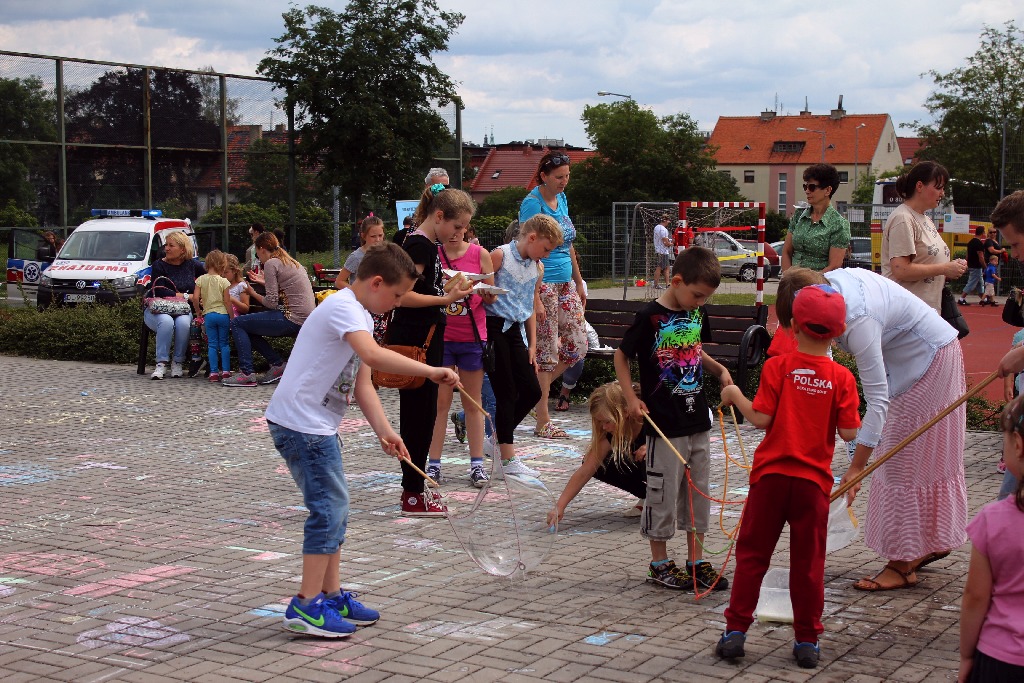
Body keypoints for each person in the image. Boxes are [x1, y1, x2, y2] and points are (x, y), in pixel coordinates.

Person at [266, 242, 459, 638]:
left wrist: (387, 431)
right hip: (302, 426)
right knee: (329, 510)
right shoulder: (344, 308)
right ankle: (305, 605)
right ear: (375, 283)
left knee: (333, 508)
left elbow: (362, 382)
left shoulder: (360, 315)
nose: (398, 302)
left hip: (316, 426)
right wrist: (430, 370)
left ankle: (331, 595)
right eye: (398, 294)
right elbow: (373, 357)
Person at [783, 266, 967, 591]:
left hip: (928, 361)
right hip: (916, 359)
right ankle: (928, 543)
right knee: (913, 460)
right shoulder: (828, 292)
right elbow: (822, 373)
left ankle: (903, 563)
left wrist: (856, 468)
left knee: (901, 461)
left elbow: (877, 398)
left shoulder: (859, 319)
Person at [716, 284, 861, 669]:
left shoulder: (777, 367)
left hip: (771, 479)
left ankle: (735, 632)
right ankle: (807, 640)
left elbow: (761, 418)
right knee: (809, 564)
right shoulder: (843, 378)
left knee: (752, 557)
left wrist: (733, 394)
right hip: (813, 485)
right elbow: (849, 432)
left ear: (792, 325)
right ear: (837, 332)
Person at [615, 246, 733, 591]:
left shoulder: (697, 311)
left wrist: (719, 369)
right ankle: (659, 563)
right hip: (663, 423)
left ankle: (696, 562)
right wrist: (632, 398)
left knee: (698, 494)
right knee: (662, 493)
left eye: (705, 297)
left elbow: (695, 350)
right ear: (676, 280)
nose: (700, 302)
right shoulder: (649, 316)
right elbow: (621, 358)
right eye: (696, 294)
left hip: (697, 418)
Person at [391, 185, 475, 516]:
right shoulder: (419, 245)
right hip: (416, 344)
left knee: (422, 417)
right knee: (418, 418)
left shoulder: (427, 245)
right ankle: (413, 492)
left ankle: (414, 488)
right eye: (456, 227)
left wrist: (453, 288)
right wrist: (445, 299)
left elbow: (426, 289)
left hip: (426, 341)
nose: (460, 234)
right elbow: (403, 295)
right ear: (439, 216)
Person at [485, 214, 562, 476]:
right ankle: (507, 459)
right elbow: (482, 292)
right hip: (494, 327)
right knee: (505, 392)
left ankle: (496, 438)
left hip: (517, 331)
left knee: (531, 390)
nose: (548, 256)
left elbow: (529, 305)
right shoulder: (499, 256)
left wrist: (532, 345)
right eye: (546, 248)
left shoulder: (537, 267)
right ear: (531, 238)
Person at [519, 150, 588, 438]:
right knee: (546, 352)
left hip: (565, 282)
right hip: (542, 282)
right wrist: (534, 295)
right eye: (559, 177)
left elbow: (567, 242)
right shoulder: (531, 204)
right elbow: (527, 249)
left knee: (577, 344)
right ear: (544, 176)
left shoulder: (561, 199)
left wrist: (579, 279)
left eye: (567, 177)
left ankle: (529, 396)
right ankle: (543, 420)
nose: (564, 182)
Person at [426, 218, 497, 488]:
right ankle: (433, 465)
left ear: (467, 227)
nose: (455, 234)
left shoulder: (480, 254)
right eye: (451, 228)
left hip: (472, 338)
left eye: (460, 228)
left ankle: (477, 465)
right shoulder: (434, 252)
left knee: (473, 403)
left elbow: (490, 294)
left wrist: (487, 293)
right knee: (440, 404)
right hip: (442, 338)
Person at [958, 395, 1024, 683]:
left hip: (1002, 656)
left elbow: (975, 596)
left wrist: (966, 654)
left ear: (1018, 445)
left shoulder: (993, 520)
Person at [547, 382, 648, 526]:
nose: (604, 427)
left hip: (670, 472)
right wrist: (559, 507)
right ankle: (648, 496)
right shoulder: (609, 433)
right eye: (600, 422)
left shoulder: (649, 419)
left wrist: (652, 446)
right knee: (598, 464)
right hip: (643, 470)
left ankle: (664, 499)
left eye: (607, 421)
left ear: (625, 413)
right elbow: (585, 471)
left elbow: (681, 443)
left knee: (650, 455)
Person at [223, 232, 315, 387]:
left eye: (258, 254)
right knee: (247, 327)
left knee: (238, 323)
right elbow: (286, 288)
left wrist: (252, 292)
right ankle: (277, 364)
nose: (259, 258)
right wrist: (265, 282)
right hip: (304, 318)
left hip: (291, 318)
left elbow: (271, 303)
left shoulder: (272, 263)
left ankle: (247, 373)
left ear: (262, 249)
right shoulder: (290, 261)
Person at [881, 161, 965, 312]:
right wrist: (945, 268)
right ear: (919, 186)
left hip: (924, 311)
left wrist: (952, 267)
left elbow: (928, 263)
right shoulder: (903, 218)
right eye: (938, 187)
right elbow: (901, 269)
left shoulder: (925, 219)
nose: (942, 193)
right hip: (907, 312)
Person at [145, 231, 205, 380]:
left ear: (183, 249)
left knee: (184, 323)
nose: (167, 248)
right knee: (166, 321)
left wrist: (201, 295)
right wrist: (187, 295)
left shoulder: (193, 265)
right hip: (159, 309)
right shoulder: (159, 265)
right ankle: (161, 364)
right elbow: (159, 289)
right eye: (166, 245)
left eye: (171, 245)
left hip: (182, 310)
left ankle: (177, 362)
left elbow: (209, 278)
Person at [780, 164, 850, 273]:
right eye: (805, 187)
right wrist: (788, 279)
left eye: (812, 187)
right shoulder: (799, 215)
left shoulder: (839, 224)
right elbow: (786, 252)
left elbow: (834, 266)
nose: (807, 191)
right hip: (791, 282)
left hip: (818, 285)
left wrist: (808, 284)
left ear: (827, 190)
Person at [190, 250, 235, 382]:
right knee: (224, 344)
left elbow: (196, 298)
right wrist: (232, 317)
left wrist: (198, 311)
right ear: (222, 264)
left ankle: (214, 373)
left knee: (212, 345)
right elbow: (227, 301)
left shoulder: (200, 280)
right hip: (223, 315)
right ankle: (226, 371)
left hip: (209, 315)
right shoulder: (224, 282)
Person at [335, 215, 386, 289]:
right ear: (363, 236)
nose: (378, 239)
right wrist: (356, 292)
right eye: (373, 236)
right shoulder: (356, 257)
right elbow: (339, 281)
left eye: (380, 235)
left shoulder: (386, 254)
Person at [959, 226, 988, 305]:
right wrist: (985, 267)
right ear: (982, 233)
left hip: (971, 265)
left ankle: (984, 299)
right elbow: (981, 257)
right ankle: (962, 298)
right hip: (976, 266)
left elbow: (967, 255)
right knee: (971, 283)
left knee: (979, 283)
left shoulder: (970, 242)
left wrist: (967, 263)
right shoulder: (979, 244)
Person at [653, 214, 673, 289]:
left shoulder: (656, 227)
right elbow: (665, 242)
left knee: (666, 267)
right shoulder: (663, 230)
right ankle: (656, 284)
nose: (668, 223)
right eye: (668, 221)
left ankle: (667, 284)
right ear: (665, 220)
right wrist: (671, 243)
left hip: (658, 249)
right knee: (659, 267)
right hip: (662, 251)